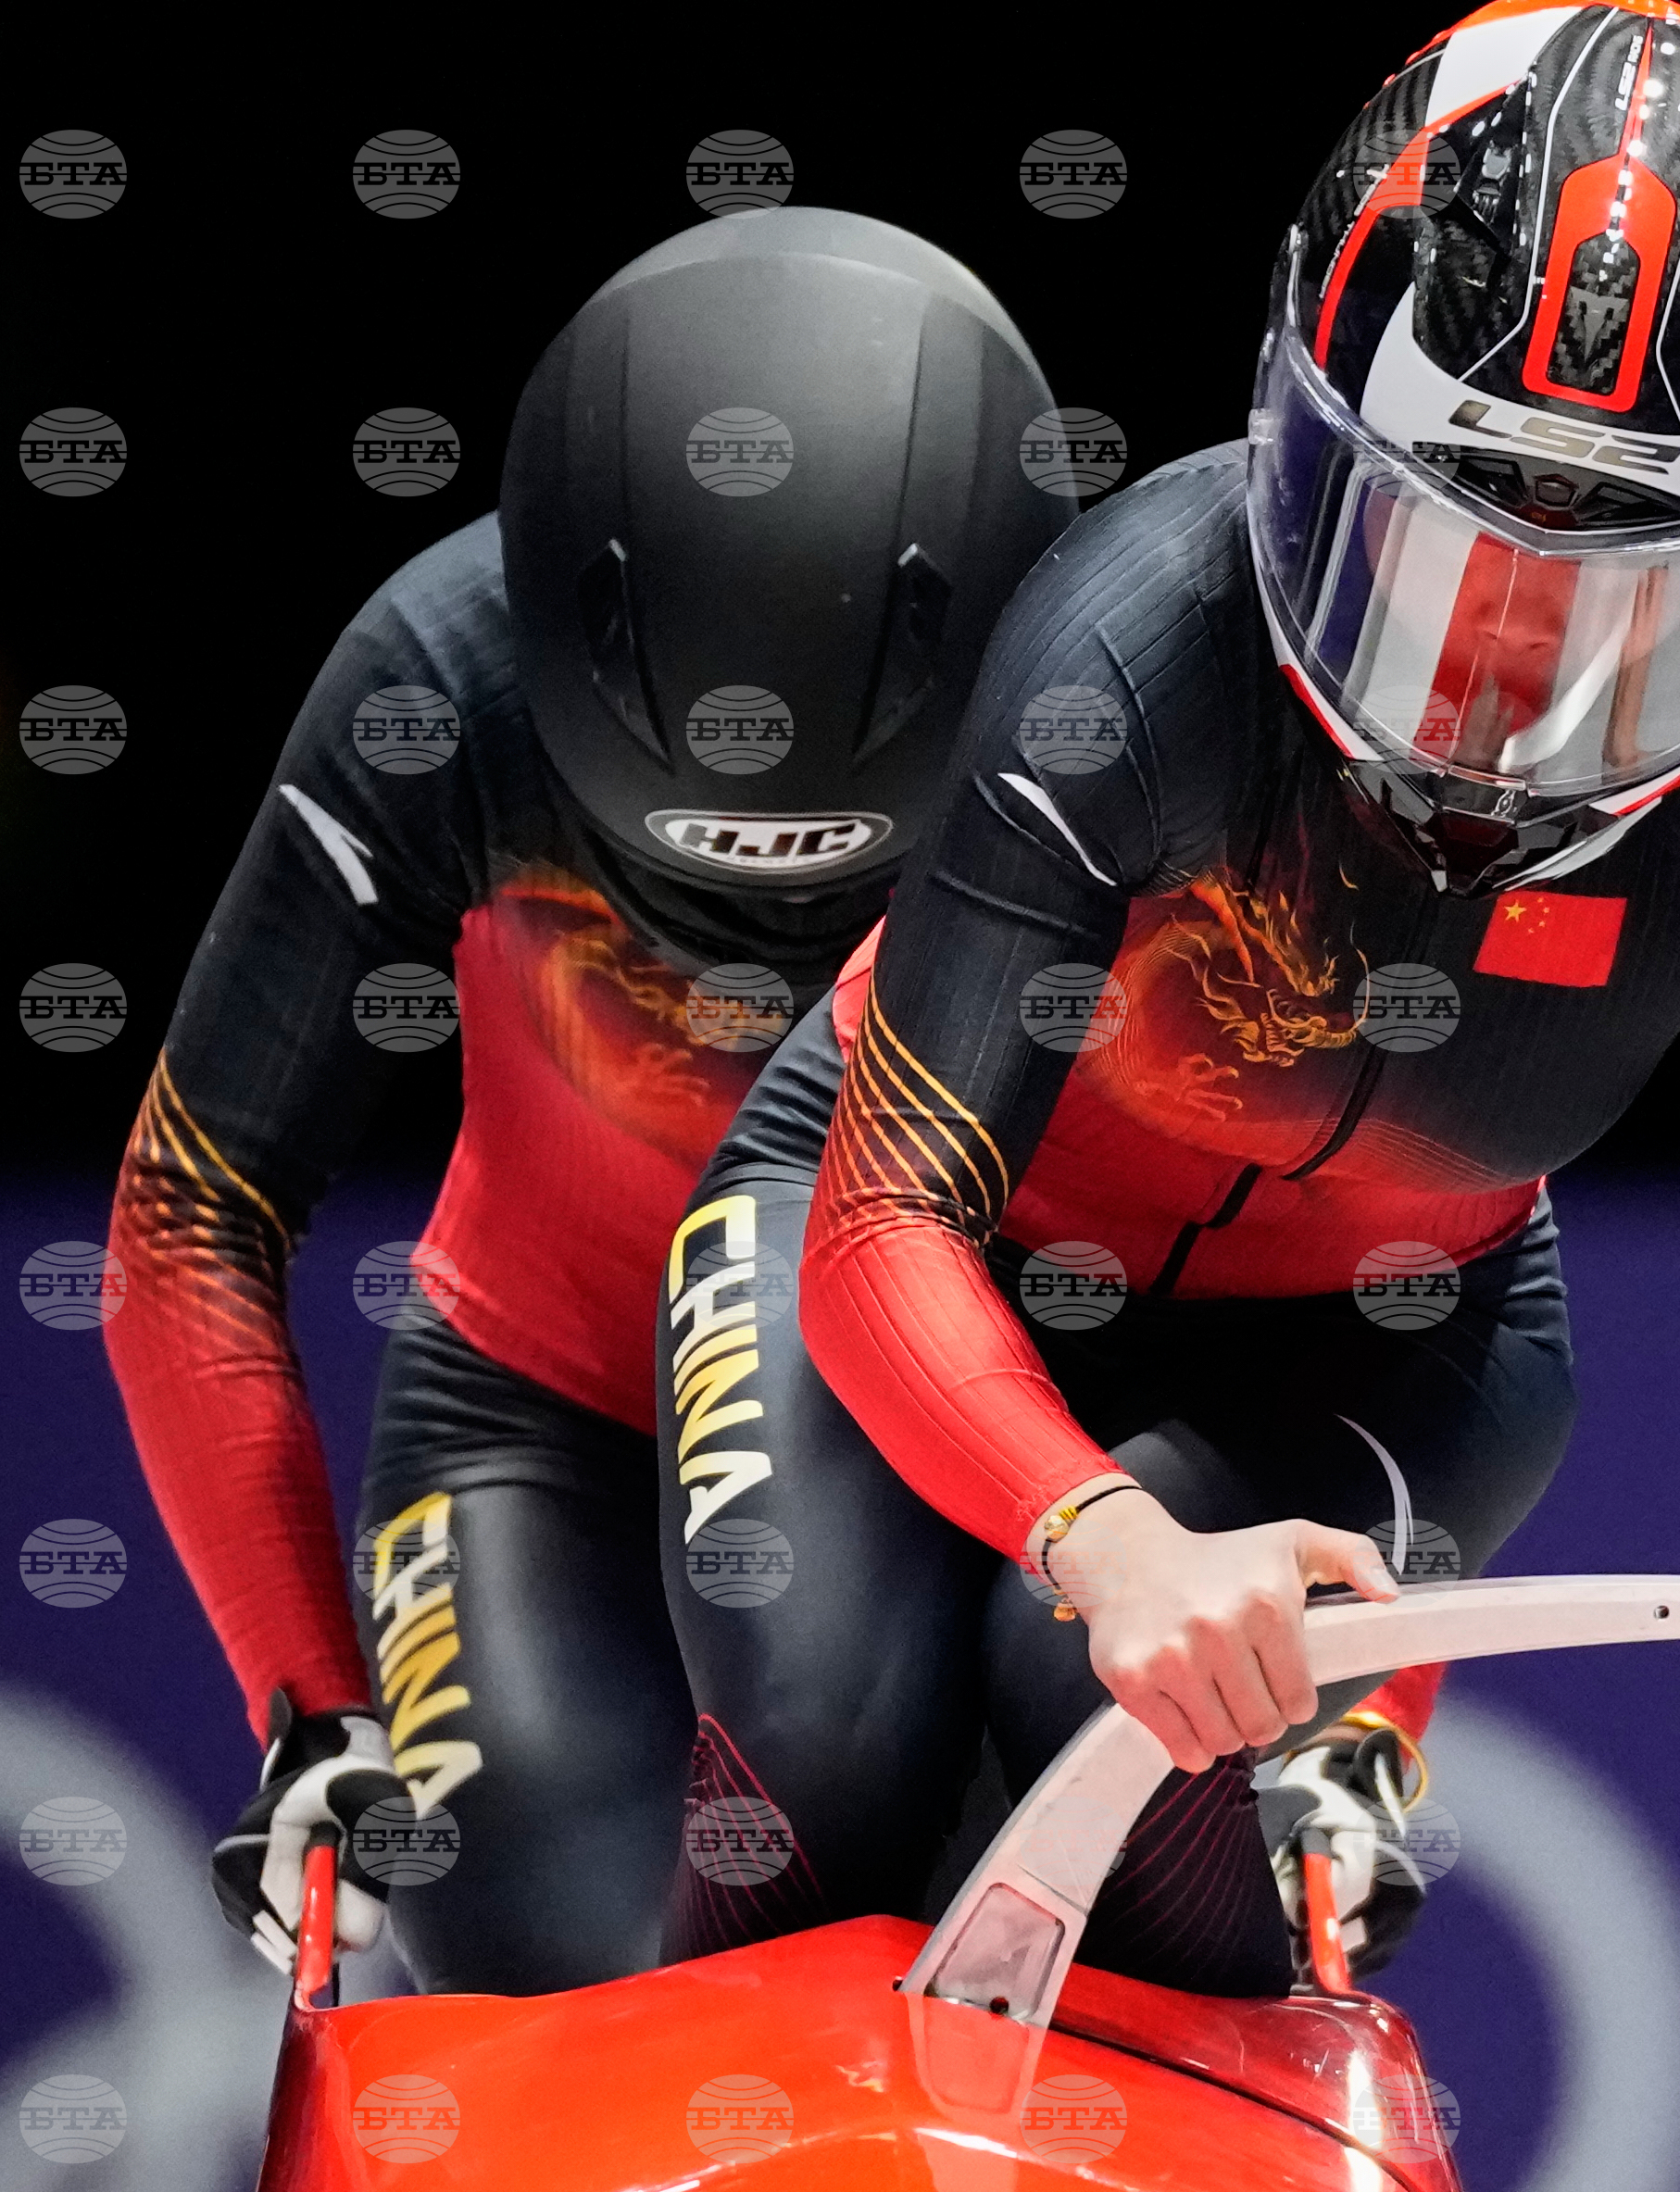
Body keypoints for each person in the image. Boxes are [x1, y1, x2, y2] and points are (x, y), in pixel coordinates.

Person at [656, 0, 1680, 1998]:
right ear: (1300, 443)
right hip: (902, 1219)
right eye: (1443, 555)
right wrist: (1103, 1537)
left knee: (1139, 1737)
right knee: (824, 1729)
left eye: (1630, 595)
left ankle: (1233, 2043)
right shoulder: (1121, 650)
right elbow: (875, 1228)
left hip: (1381, 1337)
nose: (1508, 692)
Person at [105, 208, 1063, 1988]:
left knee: (1048, 1952)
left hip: (960, 1457)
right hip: (540, 1435)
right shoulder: (433, 685)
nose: (765, 933)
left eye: (831, 883)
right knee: (577, 1993)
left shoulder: (1116, 689)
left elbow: (1387, 1255)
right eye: (689, 881)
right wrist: (313, 1709)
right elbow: (192, 1216)